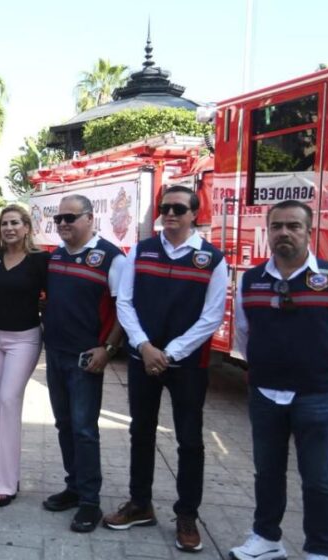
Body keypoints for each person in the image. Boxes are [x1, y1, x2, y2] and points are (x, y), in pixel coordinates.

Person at [105, 185, 227, 553]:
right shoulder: (141, 251)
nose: (170, 214)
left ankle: (187, 515)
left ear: (194, 215)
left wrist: (169, 353)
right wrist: (143, 346)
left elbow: (212, 317)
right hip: (145, 358)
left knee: (190, 440)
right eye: (164, 208)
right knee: (140, 432)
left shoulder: (212, 259)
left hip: (188, 365)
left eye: (178, 208)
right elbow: (124, 304)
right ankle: (140, 504)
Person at [230, 200, 328, 560]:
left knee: (319, 479)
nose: (284, 233)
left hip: (318, 395)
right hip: (266, 393)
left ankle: (321, 549)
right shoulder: (251, 280)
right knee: (267, 473)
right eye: (277, 226)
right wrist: (264, 371)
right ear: (268, 231)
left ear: (309, 232)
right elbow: (243, 335)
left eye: (293, 226)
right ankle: (266, 539)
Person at [42, 195, 125, 532]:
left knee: (85, 430)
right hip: (56, 354)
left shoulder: (110, 258)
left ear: (90, 218)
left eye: (70, 218)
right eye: (59, 218)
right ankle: (74, 488)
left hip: (86, 359)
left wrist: (109, 348)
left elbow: (124, 309)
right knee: (64, 425)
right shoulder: (56, 255)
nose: (63, 223)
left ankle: (90, 502)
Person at [0, 204, 48, 507]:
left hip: (24, 340)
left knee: (9, 400)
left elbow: (54, 301)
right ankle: (0, 475)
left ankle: (5, 483)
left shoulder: (40, 261)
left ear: (26, 227)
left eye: (15, 223)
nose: (9, 228)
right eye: (4, 224)